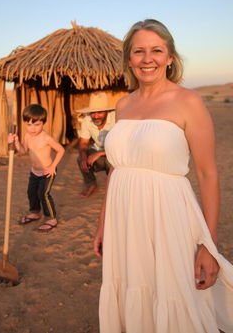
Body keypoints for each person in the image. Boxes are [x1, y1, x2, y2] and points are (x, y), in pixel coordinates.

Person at [94, 19, 233, 333]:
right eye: (139, 51)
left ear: (170, 57)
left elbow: (207, 173)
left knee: (172, 293)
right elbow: (117, 168)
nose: (147, 59)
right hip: (124, 220)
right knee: (133, 287)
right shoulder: (123, 104)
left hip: (168, 217)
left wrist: (209, 246)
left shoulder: (189, 102)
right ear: (129, 59)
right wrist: (104, 223)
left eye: (156, 50)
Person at [8, 104, 65, 231]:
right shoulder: (28, 136)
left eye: (37, 124)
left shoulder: (46, 138)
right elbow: (23, 151)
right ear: (24, 123)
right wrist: (16, 142)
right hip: (34, 172)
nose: (32, 128)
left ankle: (51, 218)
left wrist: (53, 166)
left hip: (47, 172)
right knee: (31, 193)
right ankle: (35, 212)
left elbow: (61, 150)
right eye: (29, 125)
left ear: (43, 123)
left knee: (43, 194)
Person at [76, 92, 115, 197]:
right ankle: (91, 184)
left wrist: (100, 153)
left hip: (115, 154)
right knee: (80, 158)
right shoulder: (87, 120)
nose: (95, 116)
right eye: (93, 112)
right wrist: (84, 158)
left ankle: (113, 188)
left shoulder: (116, 119)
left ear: (107, 111)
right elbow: (83, 143)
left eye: (100, 112)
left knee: (109, 161)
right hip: (98, 151)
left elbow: (122, 146)